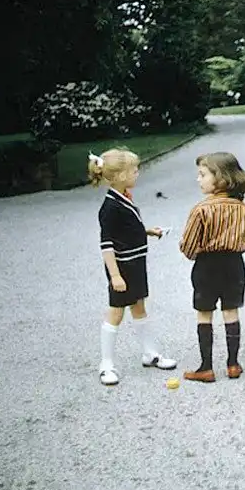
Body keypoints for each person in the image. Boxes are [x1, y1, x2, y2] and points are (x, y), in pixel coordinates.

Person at [88, 148, 177, 386]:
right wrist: (115, 276)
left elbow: (125, 229)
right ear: (119, 176)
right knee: (116, 313)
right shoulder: (109, 207)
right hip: (122, 267)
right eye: (134, 170)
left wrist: (147, 231)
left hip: (136, 263)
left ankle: (150, 353)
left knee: (139, 307)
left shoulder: (123, 198)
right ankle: (106, 364)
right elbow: (107, 245)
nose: (138, 173)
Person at [179, 152, 245, 382]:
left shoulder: (201, 209)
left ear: (221, 178)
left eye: (203, 175)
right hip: (235, 264)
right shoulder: (243, 209)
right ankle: (233, 364)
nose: (199, 179)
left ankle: (206, 367)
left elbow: (188, 246)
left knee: (205, 312)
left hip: (207, 265)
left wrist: (194, 253)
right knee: (231, 311)